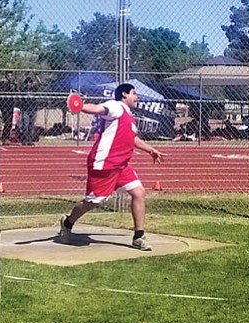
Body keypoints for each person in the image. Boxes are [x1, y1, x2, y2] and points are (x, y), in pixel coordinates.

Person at [59, 83, 166, 251]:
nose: (136, 97)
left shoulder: (129, 117)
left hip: (121, 165)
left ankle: (139, 237)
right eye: (134, 94)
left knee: (139, 192)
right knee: (93, 202)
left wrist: (150, 150)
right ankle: (67, 222)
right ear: (124, 95)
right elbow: (98, 109)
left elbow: (133, 139)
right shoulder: (116, 106)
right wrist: (80, 107)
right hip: (105, 164)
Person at [18, 74, 41, 145]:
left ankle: (30, 139)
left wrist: (36, 75)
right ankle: (25, 139)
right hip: (25, 109)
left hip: (33, 109)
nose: (28, 84)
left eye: (30, 82)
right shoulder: (23, 89)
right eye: (27, 82)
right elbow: (20, 83)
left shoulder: (34, 89)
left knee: (32, 125)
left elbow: (39, 83)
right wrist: (25, 74)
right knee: (25, 124)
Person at [0, 71, 18, 144]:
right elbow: (0, 91)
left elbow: (16, 91)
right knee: (6, 120)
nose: (10, 77)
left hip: (11, 104)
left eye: (11, 76)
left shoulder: (13, 84)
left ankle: (6, 137)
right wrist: (6, 85)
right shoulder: (2, 83)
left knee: (9, 121)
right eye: (8, 75)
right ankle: (4, 137)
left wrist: (13, 87)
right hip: (4, 104)